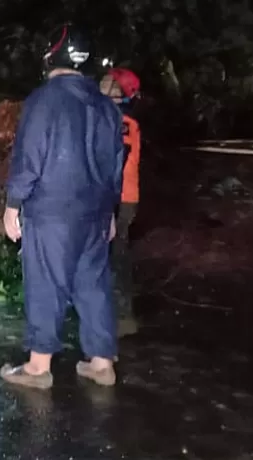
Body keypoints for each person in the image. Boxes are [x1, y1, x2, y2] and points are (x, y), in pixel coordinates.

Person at [0, 24, 126, 388]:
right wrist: (112, 214)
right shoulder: (106, 105)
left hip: (52, 210)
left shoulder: (44, 100)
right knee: (93, 283)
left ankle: (39, 367)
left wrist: (13, 204)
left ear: (51, 56)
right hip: (96, 212)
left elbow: (30, 157)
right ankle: (101, 362)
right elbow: (116, 163)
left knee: (46, 282)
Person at [99, 67, 142, 337]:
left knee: (116, 254)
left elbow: (117, 160)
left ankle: (123, 316)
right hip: (116, 196)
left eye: (107, 82)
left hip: (119, 198)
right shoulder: (115, 117)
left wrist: (107, 202)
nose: (101, 84)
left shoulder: (123, 121)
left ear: (119, 93)